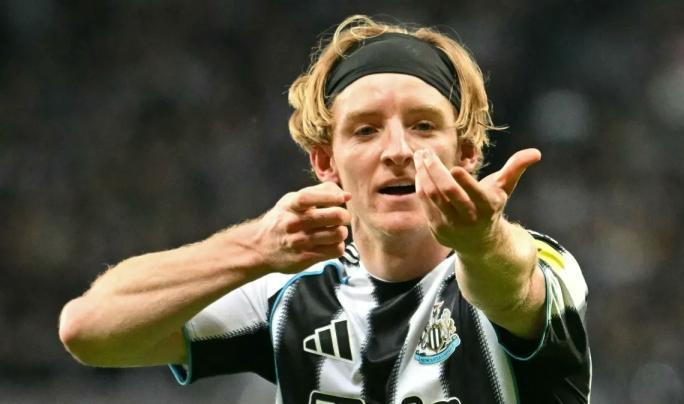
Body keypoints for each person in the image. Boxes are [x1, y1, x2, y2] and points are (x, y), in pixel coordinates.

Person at [59, 15, 591, 404]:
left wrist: (481, 240)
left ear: (467, 153)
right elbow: (89, 330)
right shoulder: (290, 294)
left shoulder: (547, 266)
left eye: (424, 125)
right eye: (365, 130)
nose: (398, 150)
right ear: (325, 162)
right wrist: (255, 248)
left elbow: (512, 285)